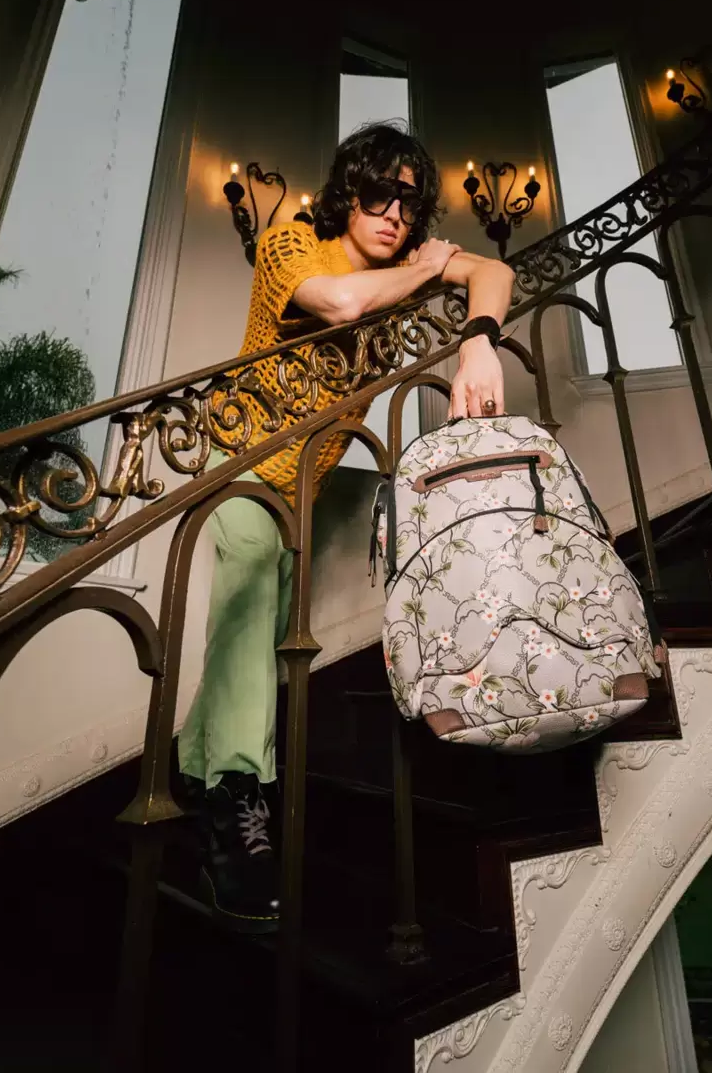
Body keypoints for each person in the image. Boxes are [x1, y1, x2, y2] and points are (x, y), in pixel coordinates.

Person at [178, 122, 514, 931]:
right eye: (379, 193)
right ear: (347, 192)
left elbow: (496, 269)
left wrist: (479, 343)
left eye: (409, 201)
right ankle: (238, 805)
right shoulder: (292, 242)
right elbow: (339, 303)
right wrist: (426, 268)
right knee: (250, 588)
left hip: (305, 483)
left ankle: (189, 764)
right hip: (239, 458)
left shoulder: (406, 261)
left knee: (255, 627)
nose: (395, 212)